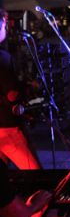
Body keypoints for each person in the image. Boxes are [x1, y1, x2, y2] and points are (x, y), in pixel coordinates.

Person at [0, 9, 41, 169]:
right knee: (34, 173)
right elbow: (12, 96)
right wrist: (25, 91)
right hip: (7, 126)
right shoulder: (3, 58)